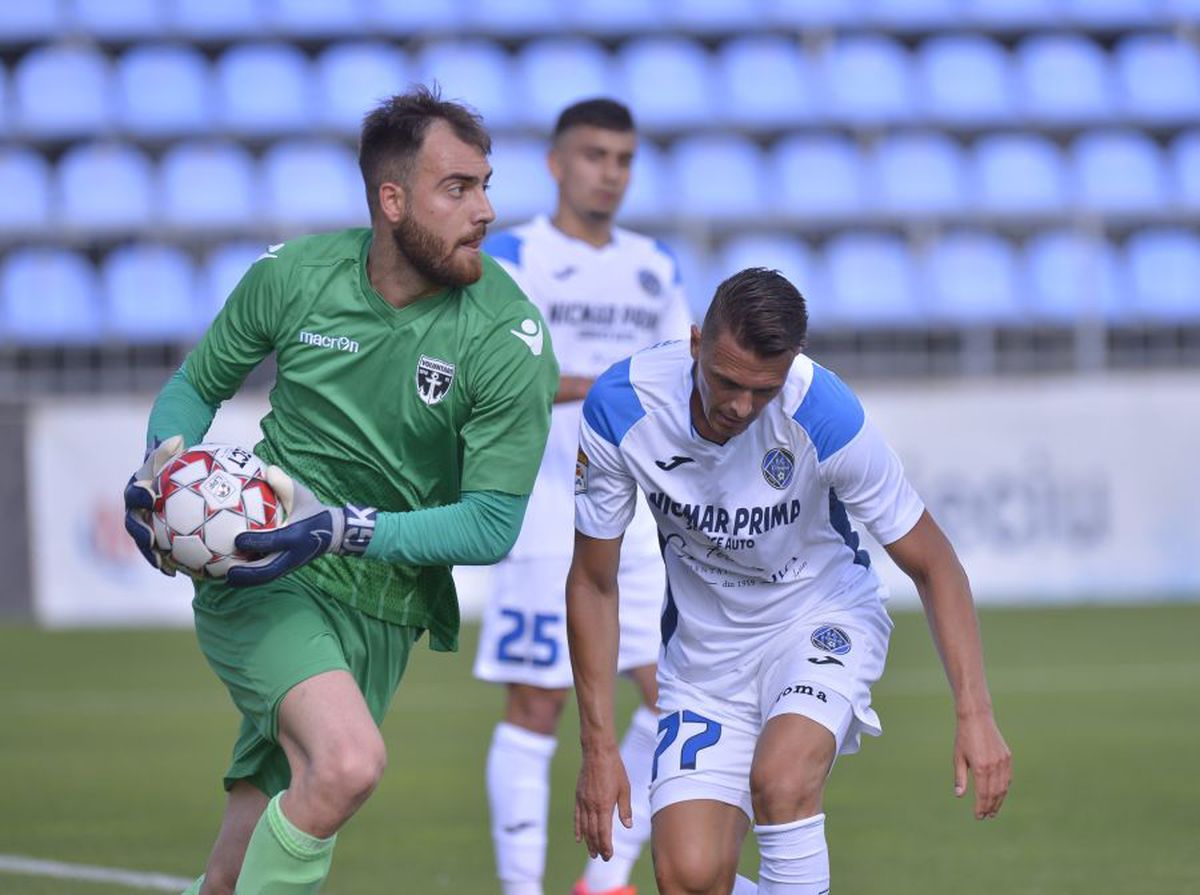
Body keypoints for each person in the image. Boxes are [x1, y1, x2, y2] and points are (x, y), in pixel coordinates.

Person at [121, 86, 559, 895]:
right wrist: (161, 469)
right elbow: (195, 386)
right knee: (348, 763)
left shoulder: (509, 337)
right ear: (391, 200)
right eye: (457, 187)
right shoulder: (295, 276)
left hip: (385, 608)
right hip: (265, 570)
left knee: (232, 873)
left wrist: (343, 528)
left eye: (486, 183)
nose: (487, 209)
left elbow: (492, 524)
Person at [567, 268, 1012, 895]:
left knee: (781, 780)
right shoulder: (622, 408)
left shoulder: (823, 412)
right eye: (726, 381)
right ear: (696, 343)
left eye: (763, 391)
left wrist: (975, 713)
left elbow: (935, 563)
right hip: (705, 660)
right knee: (689, 878)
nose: (740, 408)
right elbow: (593, 582)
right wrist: (598, 745)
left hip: (818, 617)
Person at [472, 98, 693, 895]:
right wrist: (612, 386)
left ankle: (606, 881)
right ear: (558, 163)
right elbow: (494, 379)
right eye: (595, 155)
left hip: (642, 522)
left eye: (624, 159)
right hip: (543, 510)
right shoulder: (513, 258)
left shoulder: (655, 266)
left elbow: (683, 371)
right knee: (538, 702)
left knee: (675, 695)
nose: (611, 173)